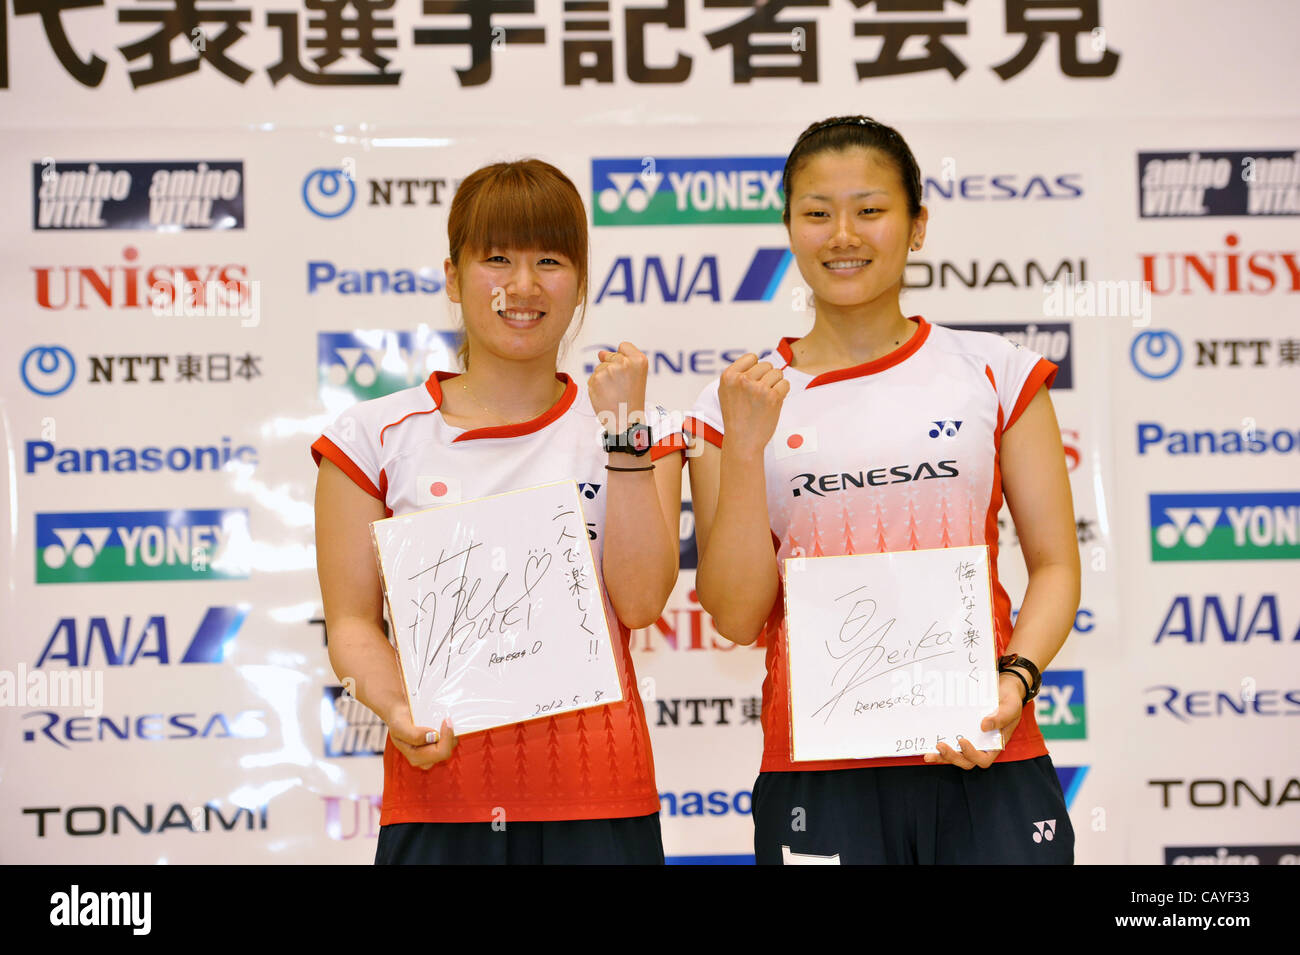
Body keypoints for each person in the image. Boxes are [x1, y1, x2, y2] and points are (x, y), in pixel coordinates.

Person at [685, 116, 1081, 864]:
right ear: (788, 227)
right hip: (817, 775)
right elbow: (737, 616)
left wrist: (1014, 680)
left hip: (983, 751)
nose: (843, 234)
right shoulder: (736, 400)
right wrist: (744, 447)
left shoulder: (994, 372)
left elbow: (1057, 564)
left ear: (917, 224)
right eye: (816, 212)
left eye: (870, 209)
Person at [312, 158, 685, 864]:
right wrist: (396, 708)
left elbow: (638, 603)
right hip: (442, 800)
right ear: (453, 277)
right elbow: (352, 624)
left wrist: (626, 435)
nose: (523, 285)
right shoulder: (372, 438)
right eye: (496, 259)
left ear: (579, 281)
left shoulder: (635, 424)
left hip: (601, 800)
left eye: (549, 259)